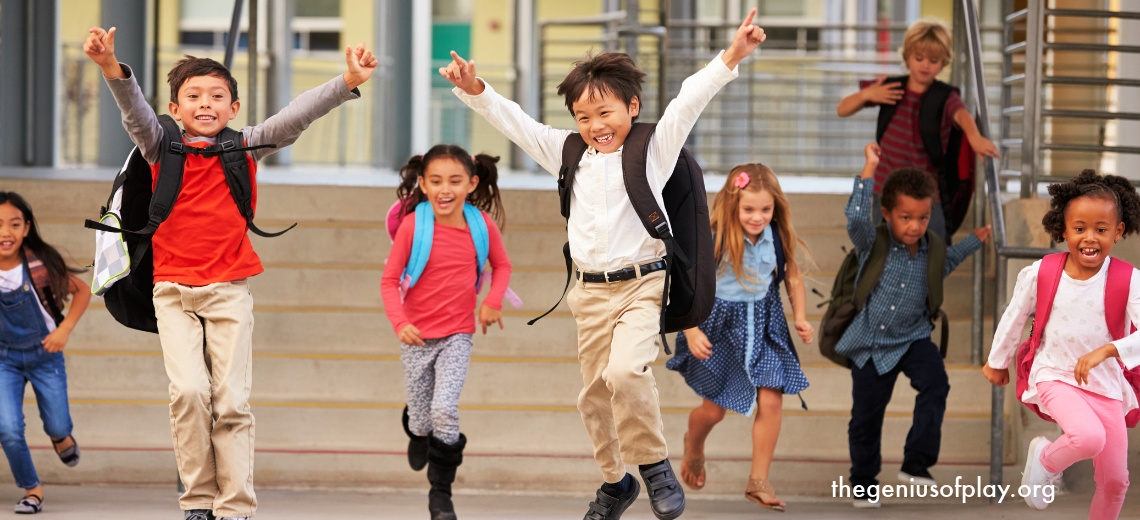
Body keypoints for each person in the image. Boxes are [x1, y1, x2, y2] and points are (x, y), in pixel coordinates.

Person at [440, 8, 768, 520]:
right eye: (583, 117)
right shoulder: (568, 153)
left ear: (632, 107)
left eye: (606, 113)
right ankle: (616, 483)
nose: (595, 126)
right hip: (588, 293)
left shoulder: (652, 149)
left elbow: (689, 100)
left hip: (642, 286)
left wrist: (733, 55)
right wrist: (474, 87)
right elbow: (518, 124)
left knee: (625, 372)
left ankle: (655, 465)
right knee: (593, 398)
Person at [83, 25, 376, 520]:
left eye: (217, 96)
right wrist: (112, 67)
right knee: (191, 393)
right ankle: (198, 501)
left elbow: (295, 117)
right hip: (172, 292)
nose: (204, 103)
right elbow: (134, 112)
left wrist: (345, 82)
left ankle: (235, 508)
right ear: (174, 109)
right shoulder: (160, 146)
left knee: (233, 401)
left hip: (228, 292)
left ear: (233, 109)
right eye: (192, 96)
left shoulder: (245, 146)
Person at [839, 143, 990, 508]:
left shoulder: (931, 248)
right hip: (872, 344)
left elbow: (947, 263)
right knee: (865, 419)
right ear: (888, 214)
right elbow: (856, 219)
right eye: (905, 217)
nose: (914, 226)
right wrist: (869, 169)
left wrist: (973, 241)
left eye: (922, 218)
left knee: (936, 384)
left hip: (914, 337)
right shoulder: (872, 242)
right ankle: (863, 482)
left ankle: (917, 460)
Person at [984, 170, 1140, 519]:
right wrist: (997, 361)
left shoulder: (1129, 280)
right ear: (1063, 229)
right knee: (1088, 437)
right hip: (1055, 373)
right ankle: (1045, 459)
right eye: (1079, 228)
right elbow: (1015, 315)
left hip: (1107, 385)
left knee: (1116, 481)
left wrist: (1109, 350)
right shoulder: (1042, 272)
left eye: (1101, 230)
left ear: (1118, 231)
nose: (1090, 238)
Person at [666, 164, 812, 511]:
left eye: (766, 209)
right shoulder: (713, 235)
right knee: (713, 412)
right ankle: (694, 445)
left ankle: (758, 480)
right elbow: (684, 284)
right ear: (733, 205)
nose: (758, 217)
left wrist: (801, 317)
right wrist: (691, 328)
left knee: (772, 399)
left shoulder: (778, 235)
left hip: (764, 324)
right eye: (749, 209)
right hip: (718, 328)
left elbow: (792, 277)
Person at [382, 145, 512, 520]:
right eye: (435, 181)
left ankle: (441, 495)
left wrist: (493, 301)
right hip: (416, 337)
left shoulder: (480, 225)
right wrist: (400, 323)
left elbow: (501, 267)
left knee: (444, 410)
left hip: (458, 333)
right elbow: (389, 281)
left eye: (455, 181)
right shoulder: (413, 225)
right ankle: (417, 429)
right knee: (423, 420)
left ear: (472, 184)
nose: (445, 189)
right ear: (422, 184)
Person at [836, 20, 999, 241]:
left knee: (934, 251)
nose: (925, 65)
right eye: (919, 58)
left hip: (926, 194)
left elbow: (961, 114)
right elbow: (842, 109)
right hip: (885, 188)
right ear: (907, 57)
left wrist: (975, 137)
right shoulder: (889, 86)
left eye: (933, 60)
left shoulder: (945, 96)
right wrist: (866, 95)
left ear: (943, 64)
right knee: (881, 251)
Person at [0, 193, 89, 514]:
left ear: (26, 229)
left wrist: (63, 331)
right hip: (3, 360)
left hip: (44, 356)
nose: (5, 232)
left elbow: (82, 290)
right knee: (7, 429)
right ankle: (31, 489)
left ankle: (60, 437)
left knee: (57, 425)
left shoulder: (39, 264)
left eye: (14, 224)